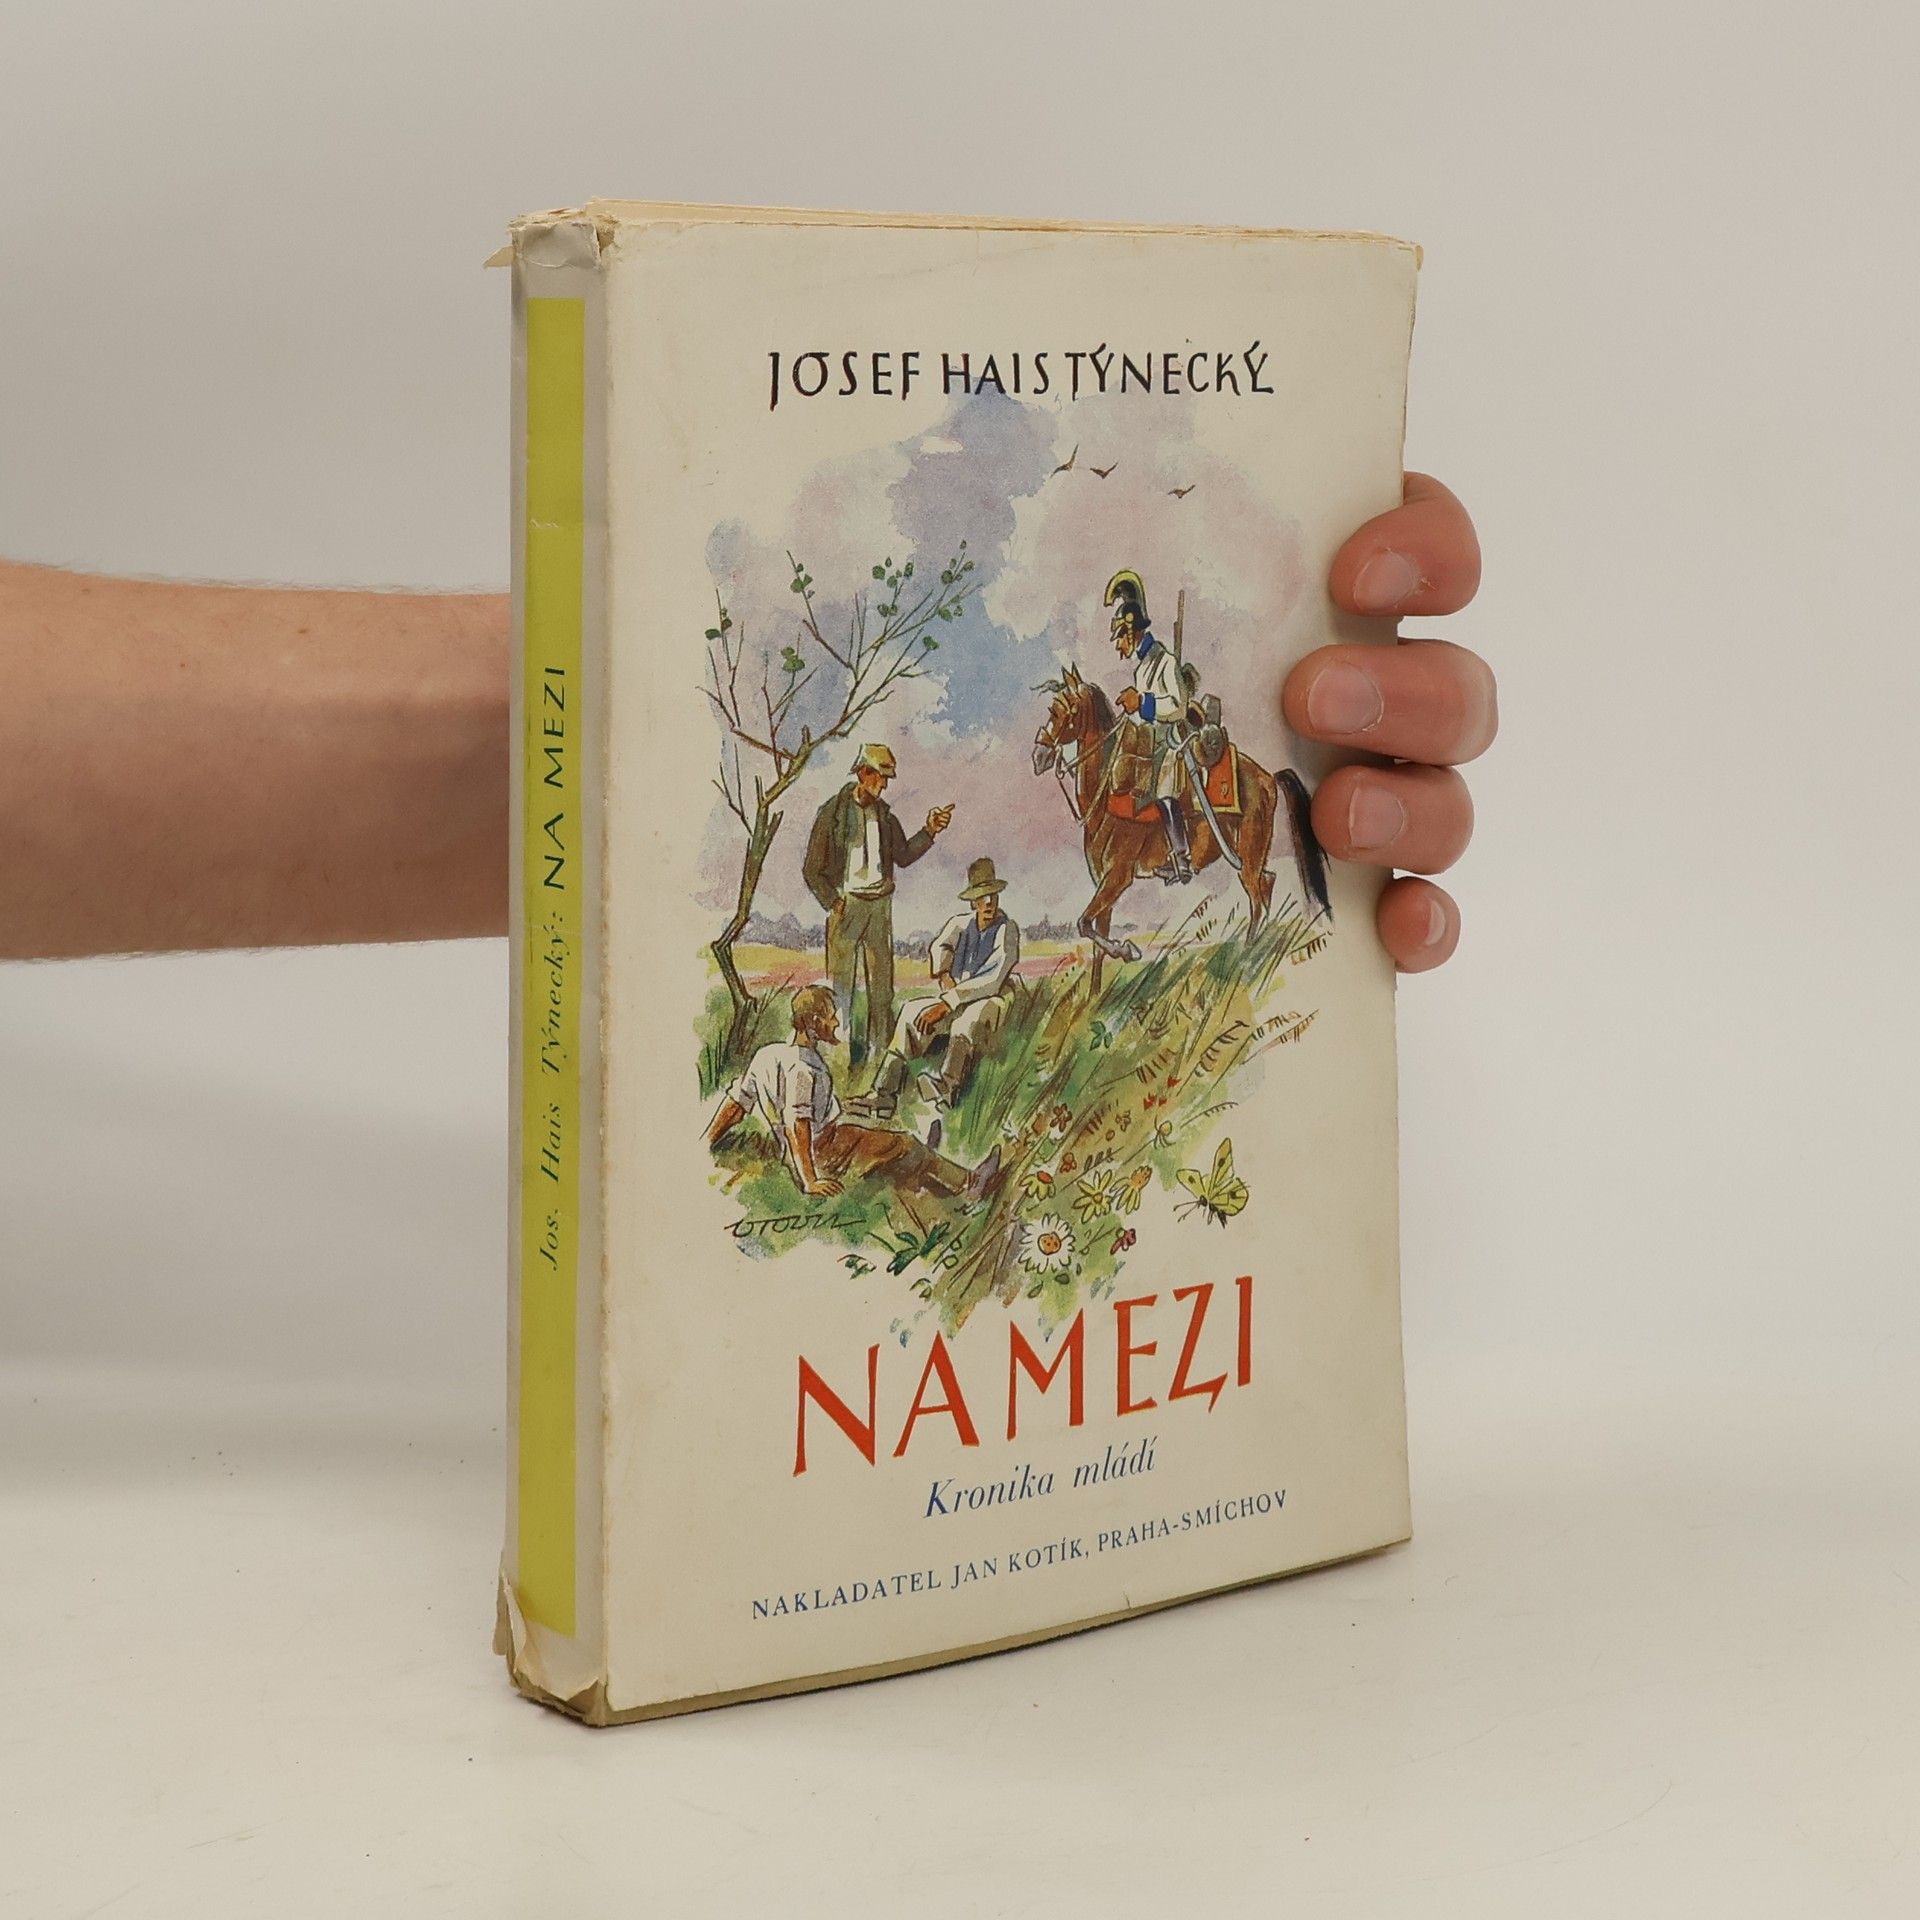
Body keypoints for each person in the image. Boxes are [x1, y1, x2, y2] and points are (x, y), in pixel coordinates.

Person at [0, 474, 1491, 969]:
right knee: (1124, 767)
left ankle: (1204, 851)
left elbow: (1168, 707)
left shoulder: (1153, 668)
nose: (1115, 641)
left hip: (1180, 739)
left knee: (1165, 769)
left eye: (1120, 630)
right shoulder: (1098, 677)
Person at [706, 985, 999, 1202]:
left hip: (813, 1146)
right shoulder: (804, 1069)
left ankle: (927, 1177)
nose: (836, 1023)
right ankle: (969, 1183)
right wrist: (810, 1181)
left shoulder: (767, 1055)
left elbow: (736, 1105)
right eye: (830, 1017)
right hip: (825, 1153)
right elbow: (799, 1126)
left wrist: (707, 1142)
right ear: (813, 1023)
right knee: (905, 1144)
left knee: (879, 1134)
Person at [801, 744, 954, 1070]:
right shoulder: (832, 813)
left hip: (880, 908)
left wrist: (929, 831)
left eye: (886, 779)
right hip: (846, 908)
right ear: (863, 773)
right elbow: (811, 869)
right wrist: (834, 902)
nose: (884, 785)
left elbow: (904, 856)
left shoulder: (886, 817)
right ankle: (840, 1061)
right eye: (880, 777)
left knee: (882, 992)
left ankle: (884, 1062)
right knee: (841, 989)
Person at [851, 856, 1020, 1120]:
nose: (988, 903)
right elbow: (940, 946)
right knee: (911, 1012)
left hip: (994, 997)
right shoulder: (961, 923)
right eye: (982, 897)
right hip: (958, 996)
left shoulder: (1006, 930)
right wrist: (944, 974)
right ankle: (884, 1094)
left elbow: (993, 979)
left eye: (992, 896)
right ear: (973, 902)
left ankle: (946, 1088)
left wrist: (948, 1000)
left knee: (967, 1021)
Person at [1105, 568, 1195, 883]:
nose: (1119, 647)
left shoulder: (1165, 662)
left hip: (1170, 743)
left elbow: (1178, 707)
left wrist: (1142, 702)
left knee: (1165, 792)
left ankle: (1182, 858)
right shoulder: (1142, 669)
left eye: (1120, 638)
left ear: (1131, 633)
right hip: (1148, 742)